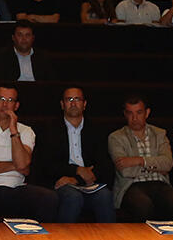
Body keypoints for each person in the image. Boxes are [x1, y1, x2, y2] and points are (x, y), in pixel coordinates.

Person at [0, 84, 58, 223]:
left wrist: (14, 131)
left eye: (10, 100)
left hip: (16, 187)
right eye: (1, 99)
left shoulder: (26, 131)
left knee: (49, 197)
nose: (5, 104)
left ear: (16, 106)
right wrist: (16, 166)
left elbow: (23, 163)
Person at [108, 95, 173, 222]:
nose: (135, 118)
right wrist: (156, 167)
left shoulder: (160, 133)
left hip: (160, 183)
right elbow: (125, 171)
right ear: (125, 114)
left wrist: (139, 161)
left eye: (139, 112)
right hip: (131, 185)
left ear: (147, 113)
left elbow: (168, 164)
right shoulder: (116, 137)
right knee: (143, 207)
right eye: (130, 113)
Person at [38, 86, 115, 222]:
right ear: (62, 104)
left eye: (77, 99)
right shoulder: (49, 129)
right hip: (62, 183)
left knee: (105, 196)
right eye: (69, 99)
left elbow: (104, 165)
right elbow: (46, 165)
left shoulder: (97, 130)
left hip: (89, 183)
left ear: (84, 104)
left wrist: (77, 179)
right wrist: (77, 170)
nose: (73, 103)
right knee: (73, 197)